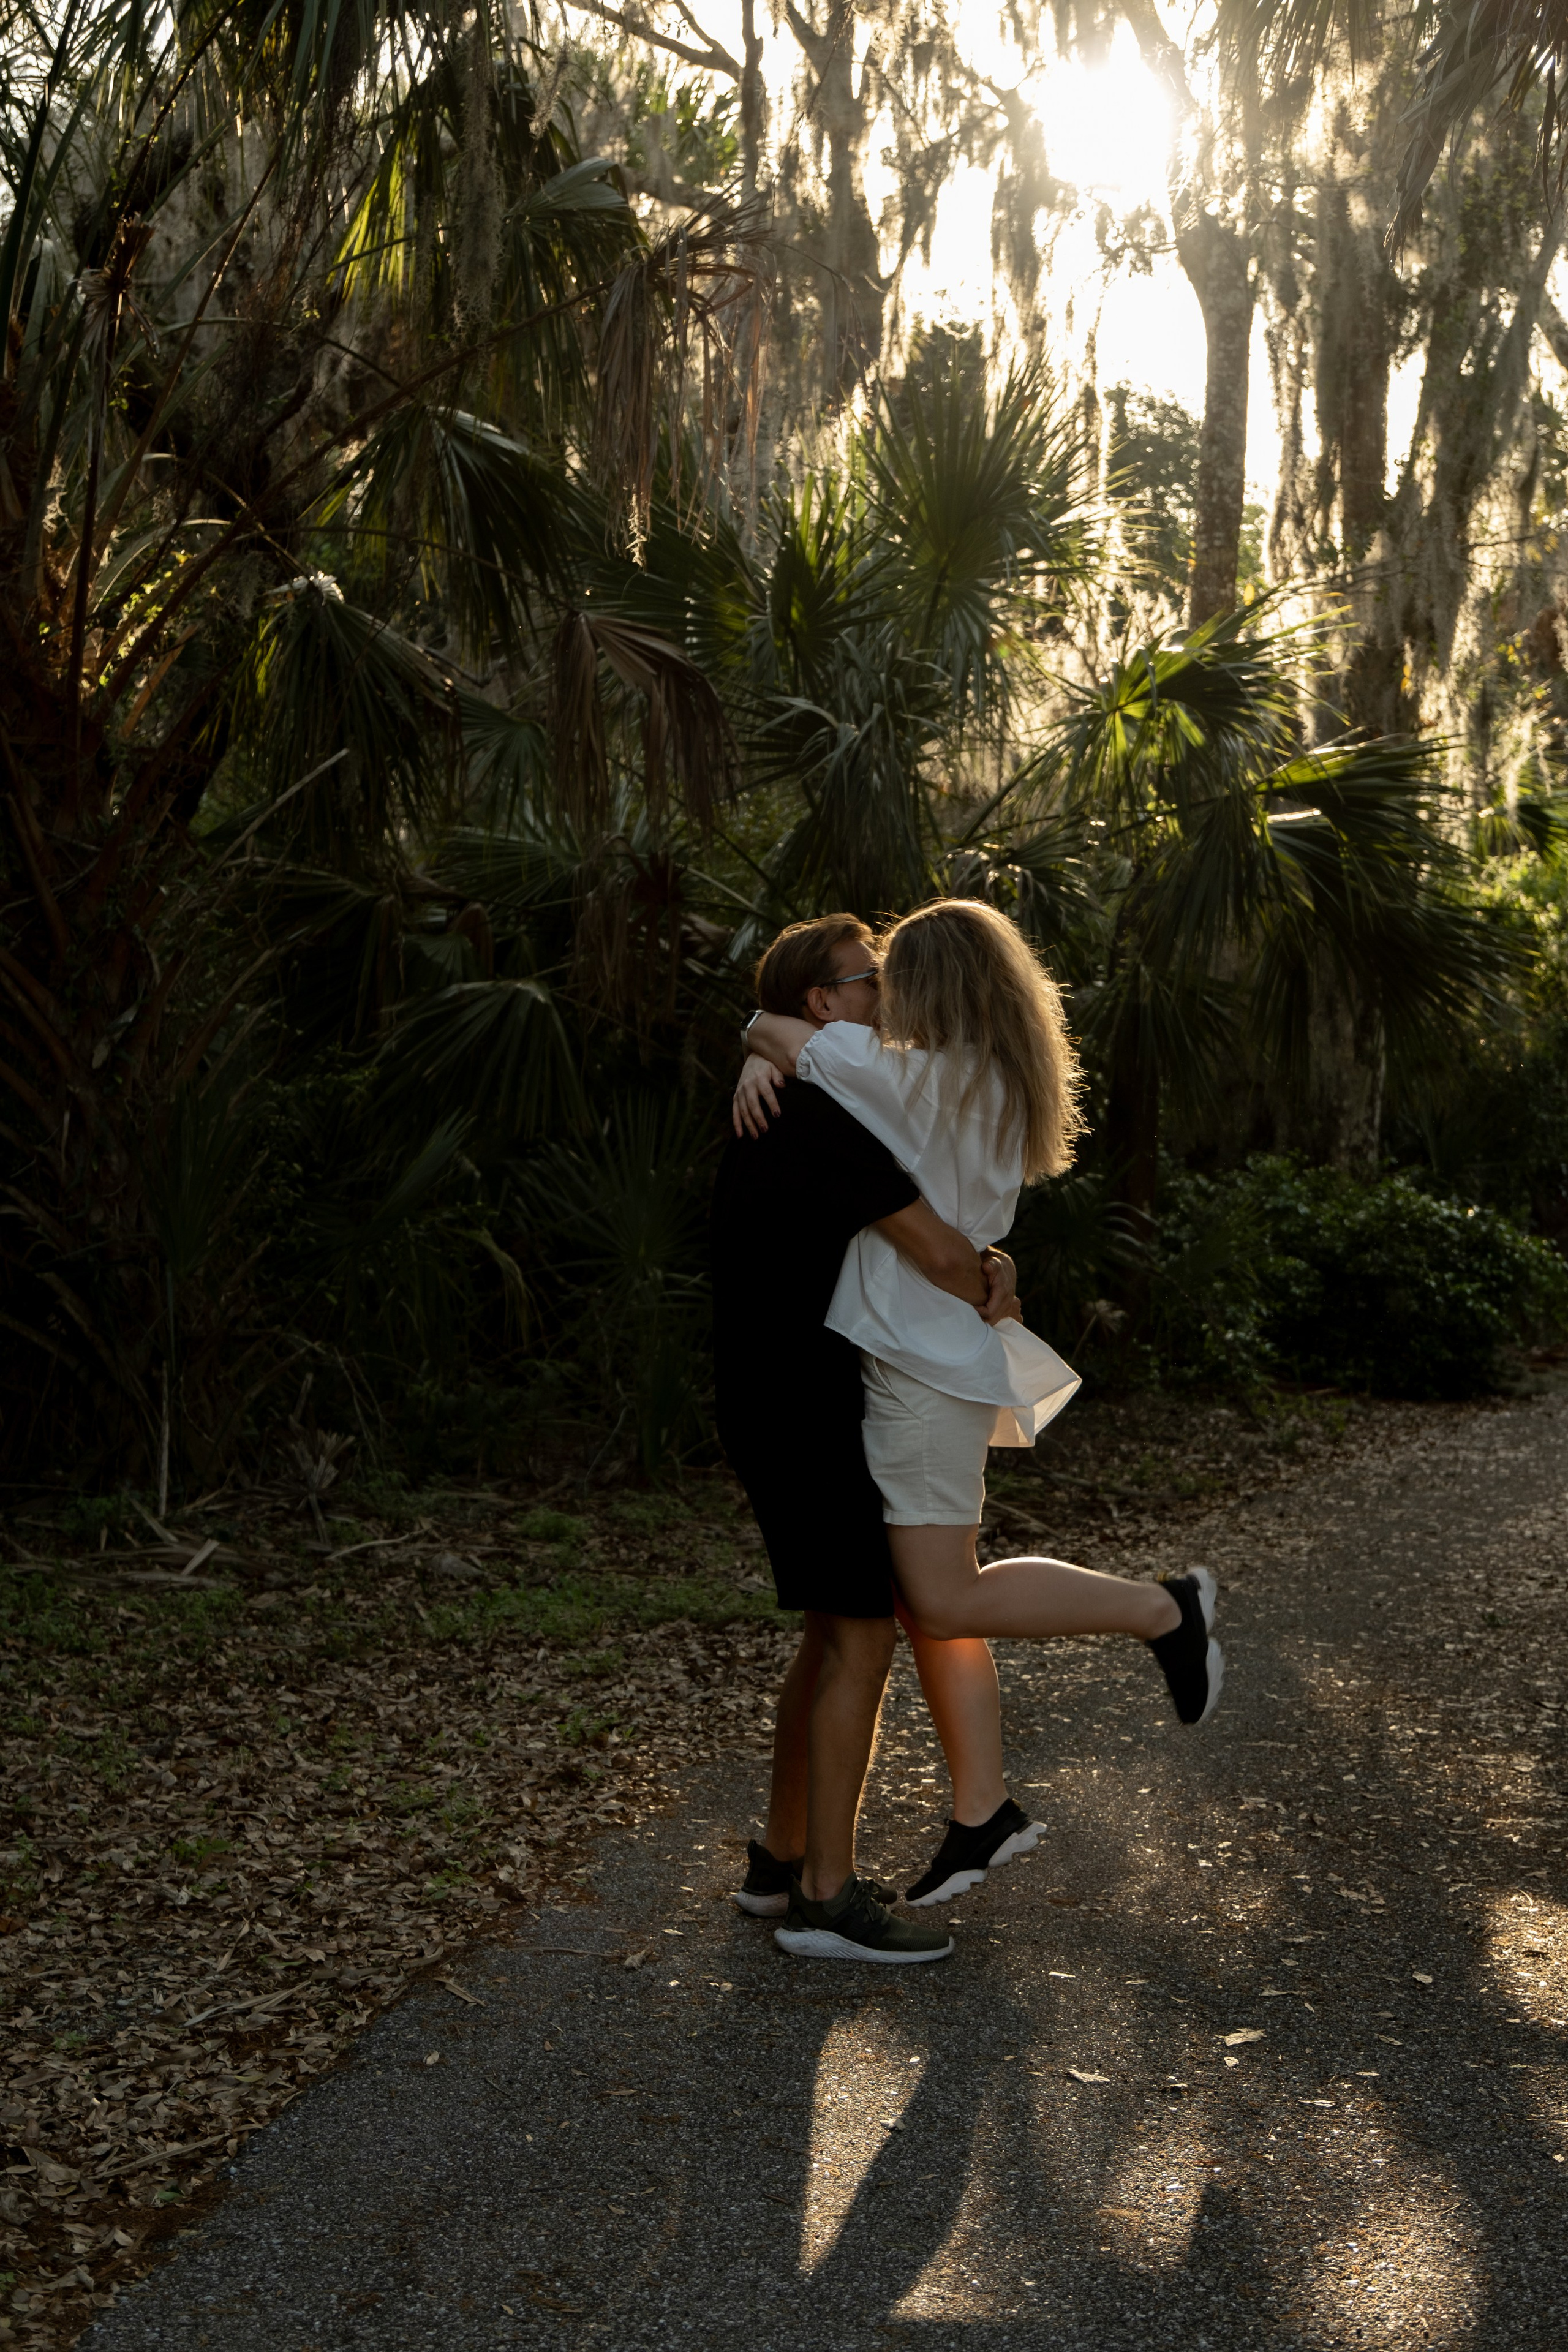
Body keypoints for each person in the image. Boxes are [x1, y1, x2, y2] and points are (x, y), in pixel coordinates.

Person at [734, 898, 1223, 1779]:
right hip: (941, 1341)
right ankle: (978, 1808)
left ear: (926, 983)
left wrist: (751, 1051)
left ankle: (1163, 1611)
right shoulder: (990, 1077)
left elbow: (779, 1028)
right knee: (934, 1590)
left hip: (917, 1355)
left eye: (890, 976)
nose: (881, 991)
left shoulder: (904, 1076)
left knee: (944, 1597)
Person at [712, 915, 1046, 1966]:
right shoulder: (826, 1117)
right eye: (871, 983)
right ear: (824, 1002)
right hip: (803, 1400)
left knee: (829, 1633)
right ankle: (828, 1897)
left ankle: (780, 1862)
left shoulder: (819, 1094)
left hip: (784, 1391)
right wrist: (989, 1280)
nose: (889, 1004)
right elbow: (939, 1247)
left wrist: (756, 1036)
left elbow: (924, 1220)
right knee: (864, 1632)